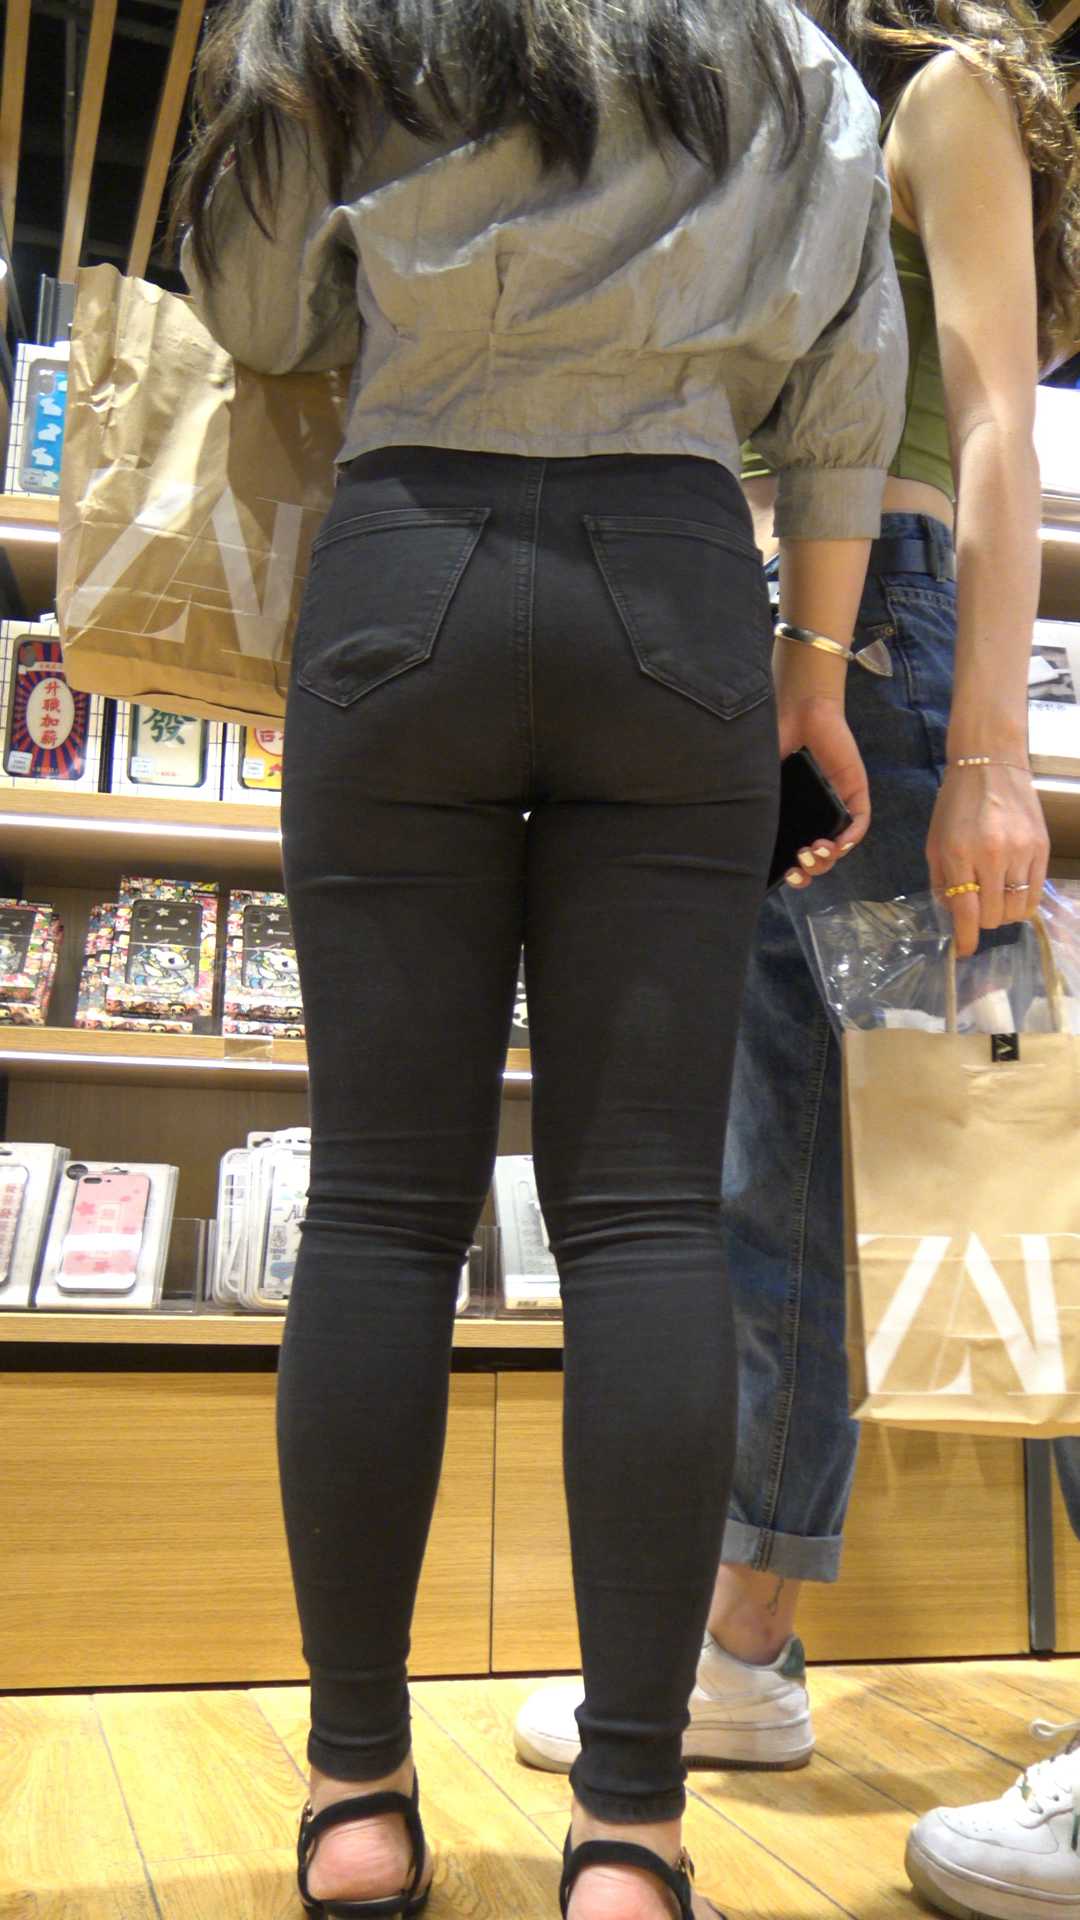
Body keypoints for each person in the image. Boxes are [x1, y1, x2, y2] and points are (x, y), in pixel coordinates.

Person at [175, 2, 907, 1914]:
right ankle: (634, 1833)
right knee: (648, 1220)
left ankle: (354, 1795)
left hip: (404, 556)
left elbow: (254, 309)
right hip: (677, 582)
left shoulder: (351, 16)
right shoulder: (790, 58)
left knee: (379, 1211)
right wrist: (812, 679)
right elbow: (848, 387)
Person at [515, 4, 1080, 1917]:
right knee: (778, 1176)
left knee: (980, 1182)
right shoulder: (807, 102)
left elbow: (997, 421)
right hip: (783, 639)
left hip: (887, 648)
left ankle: (750, 1634)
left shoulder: (947, 94)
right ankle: (743, 1640)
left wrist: (993, 751)